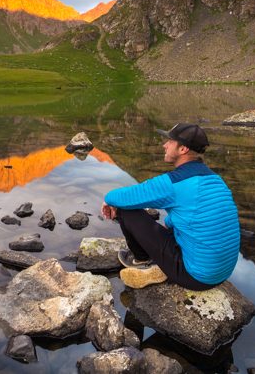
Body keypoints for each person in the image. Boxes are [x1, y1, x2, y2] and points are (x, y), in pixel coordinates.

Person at [101, 123, 239, 290]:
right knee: (171, 221)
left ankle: (141, 259)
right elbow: (193, 212)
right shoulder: (215, 180)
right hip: (221, 273)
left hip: (196, 277)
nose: (164, 145)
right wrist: (169, 223)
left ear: (183, 149)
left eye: (170, 141)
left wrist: (109, 201)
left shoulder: (174, 183)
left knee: (125, 210)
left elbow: (124, 196)